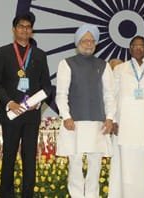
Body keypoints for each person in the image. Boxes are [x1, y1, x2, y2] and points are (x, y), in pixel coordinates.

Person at [0, 12, 51, 198]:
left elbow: (47, 86)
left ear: (32, 31)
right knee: (8, 156)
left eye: (28, 27)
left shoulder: (40, 55)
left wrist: (38, 102)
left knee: (29, 159)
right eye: (21, 26)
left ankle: (28, 194)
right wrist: (9, 102)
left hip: (31, 116)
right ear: (14, 29)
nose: (24, 30)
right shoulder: (2, 52)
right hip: (11, 114)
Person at [55, 24, 116, 198]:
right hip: (74, 123)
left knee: (95, 165)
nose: (88, 44)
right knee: (74, 164)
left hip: (98, 123)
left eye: (91, 40)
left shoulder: (103, 65)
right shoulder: (66, 64)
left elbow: (110, 95)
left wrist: (110, 118)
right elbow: (61, 94)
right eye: (84, 40)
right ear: (77, 43)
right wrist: (66, 116)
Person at [107, 36, 144, 198]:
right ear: (130, 49)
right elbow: (113, 96)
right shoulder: (120, 69)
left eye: (142, 46)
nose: (138, 48)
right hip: (124, 125)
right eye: (135, 45)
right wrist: (113, 119)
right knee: (125, 168)